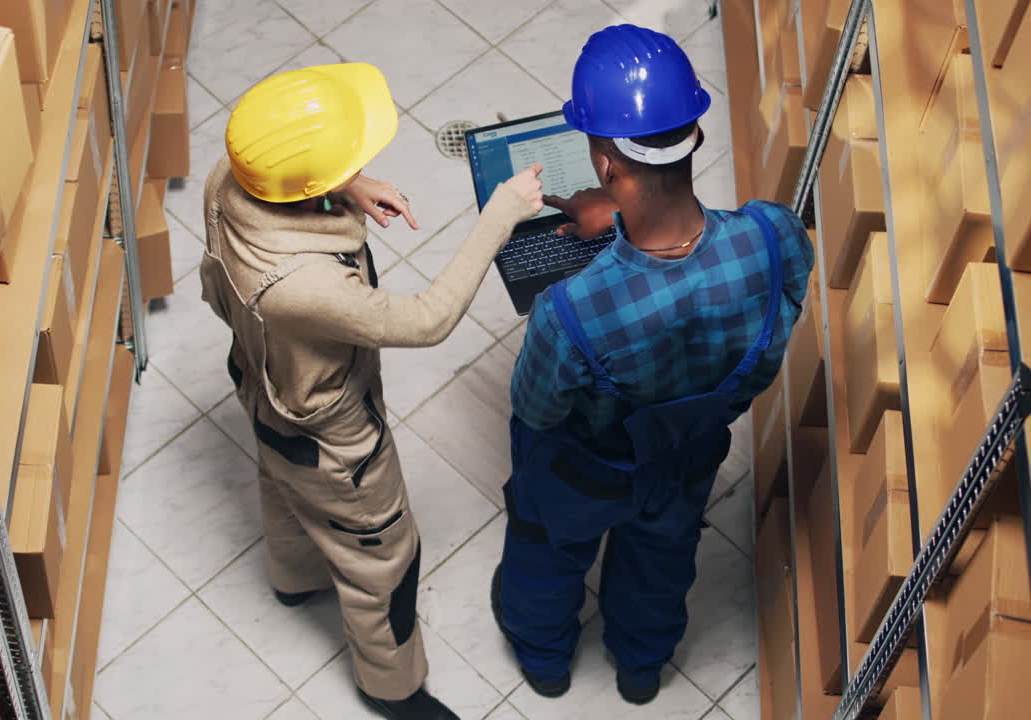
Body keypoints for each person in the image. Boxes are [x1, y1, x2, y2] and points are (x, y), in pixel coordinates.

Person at [199, 62, 543, 720]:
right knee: (384, 559)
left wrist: (349, 187)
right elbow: (425, 319)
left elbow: (275, 199)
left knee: (278, 479)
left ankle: (294, 580)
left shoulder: (228, 178)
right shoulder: (303, 285)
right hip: (334, 443)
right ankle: (392, 689)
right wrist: (500, 216)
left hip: (263, 386)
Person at [491, 24, 815, 705]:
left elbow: (537, 410)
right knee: (663, 559)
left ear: (606, 165)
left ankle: (546, 663)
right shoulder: (774, 236)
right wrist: (614, 223)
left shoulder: (570, 312)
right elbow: (750, 292)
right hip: (688, 459)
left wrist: (609, 237)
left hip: (586, 473)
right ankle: (641, 670)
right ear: (694, 136)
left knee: (546, 549)